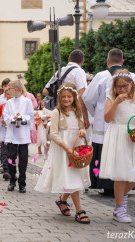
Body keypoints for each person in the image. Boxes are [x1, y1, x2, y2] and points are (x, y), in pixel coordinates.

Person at [82, 48, 135, 196]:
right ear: (123, 61)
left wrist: (96, 113)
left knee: (106, 155)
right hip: (128, 123)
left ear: (108, 61)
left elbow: (87, 98)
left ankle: (107, 186)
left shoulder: (101, 76)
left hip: (104, 122)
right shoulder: (132, 76)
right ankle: (126, 186)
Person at [35, 82, 90, 224]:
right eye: (63, 97)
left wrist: (82, 131)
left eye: (69, 97)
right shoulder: (56, 112)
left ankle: (62, 200)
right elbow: (53, 134)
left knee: (73, 177)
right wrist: (67, 149)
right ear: (60, 98)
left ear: (74, 97)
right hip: (63, 149)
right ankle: (79, 210)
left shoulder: (78, 112)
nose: (66, 99)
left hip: (75, 147)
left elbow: (81, 127)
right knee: (71, 177)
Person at [100, 69, 135, 223]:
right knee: (121, 175)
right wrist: (116, 102)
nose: (122, 89)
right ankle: (120, 208)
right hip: (118, 135)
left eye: (125, 86)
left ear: (131, 84)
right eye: (119, 86)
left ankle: (120, 199)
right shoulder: (111, 98)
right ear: (114, 87)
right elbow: (107, 118)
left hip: (133, 138)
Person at [43, 49, 89, 128]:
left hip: (59, 110)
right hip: (73, 111)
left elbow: (45, 91)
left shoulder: (60, 71)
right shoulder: (79, 71)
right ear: (83, 61)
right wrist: (85, 117)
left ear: (69, 59)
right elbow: (82, 96)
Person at [4, 80, 34, 193]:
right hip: (12, 134)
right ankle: (12, 180)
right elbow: (5, 116)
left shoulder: (27, 101)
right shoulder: (9, 102)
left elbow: (31, 116)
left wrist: (21, 117)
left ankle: (22, 182)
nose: (7, 91)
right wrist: (13, 118)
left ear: (15, 89)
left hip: (23, 135)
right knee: (11, 157)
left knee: (23, 159)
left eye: (9, 89)